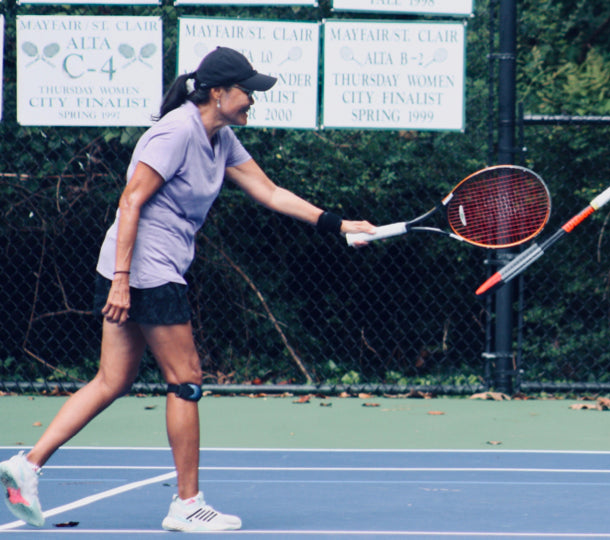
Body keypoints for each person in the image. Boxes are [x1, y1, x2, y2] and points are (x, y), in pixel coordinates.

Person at [0, 47, 375, 532]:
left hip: (142, 265)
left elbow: (270, 191)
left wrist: (339, 224)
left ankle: (27, 465)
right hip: (143, 265)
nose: (252, 103)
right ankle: (187, 503)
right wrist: (121, 281)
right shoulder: (176, 131)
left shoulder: (221, 138)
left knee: (112, 380)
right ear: (218, 93)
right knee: (187, 379)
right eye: (247, 93)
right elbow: (130, 201)